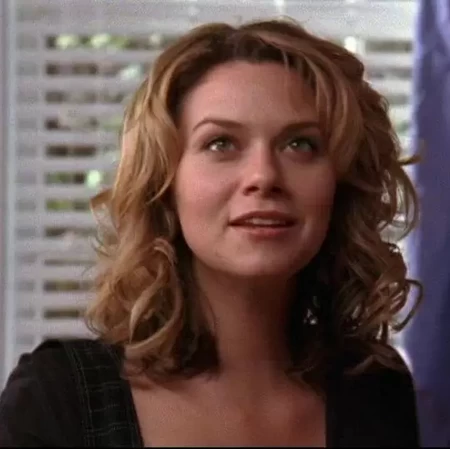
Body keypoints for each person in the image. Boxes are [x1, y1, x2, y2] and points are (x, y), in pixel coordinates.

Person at [0, 17, 422, 447]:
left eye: (300, 144)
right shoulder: (56, 401)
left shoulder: (375, 393)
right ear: (165, 185)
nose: (263, 176)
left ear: (341, 186)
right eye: (221, 143)